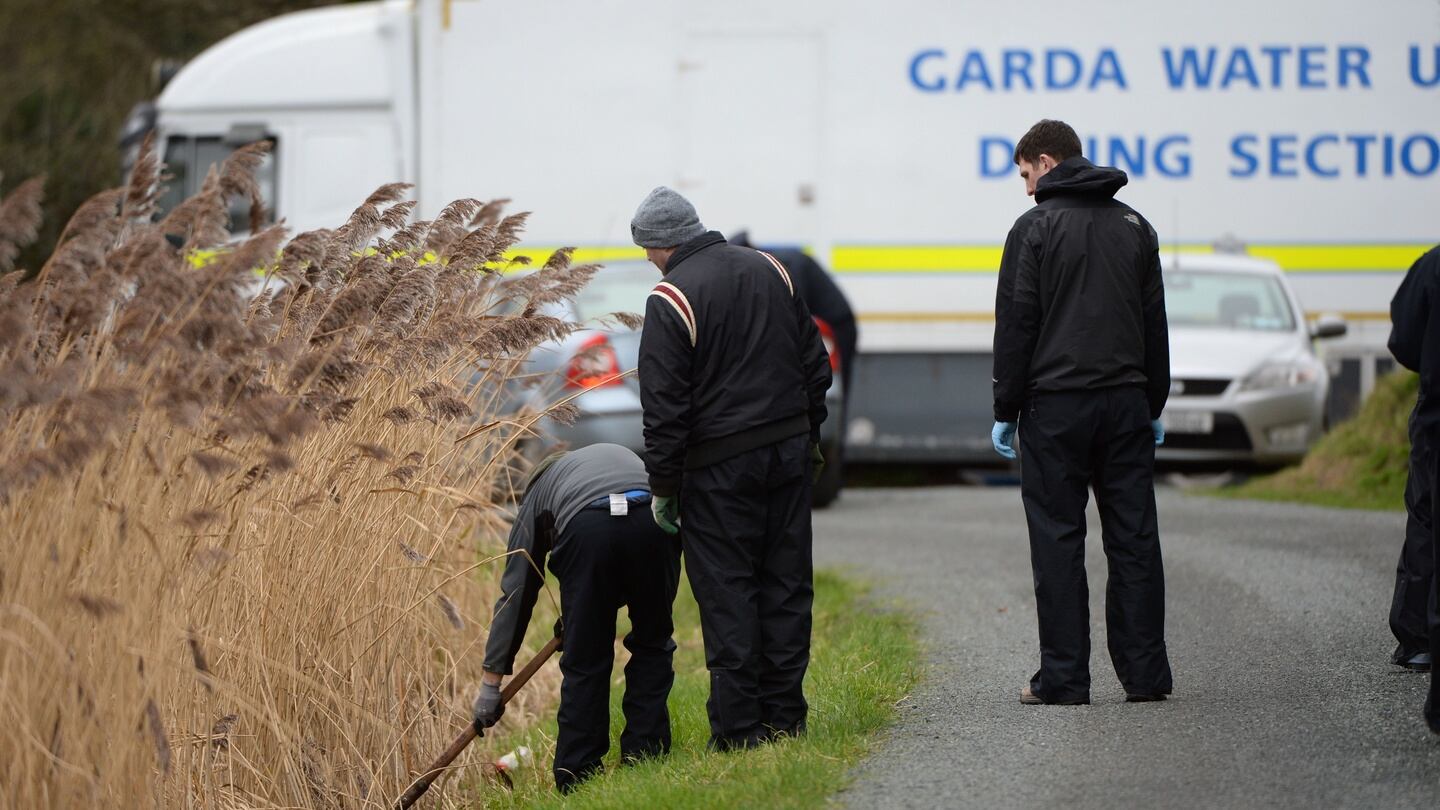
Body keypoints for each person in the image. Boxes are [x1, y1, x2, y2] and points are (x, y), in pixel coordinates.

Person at [630, 186, 832, 750]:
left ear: (661, 245)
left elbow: (665, 409)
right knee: (787, 585)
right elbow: (815, 366)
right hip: (788, 453)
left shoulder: (670, 298)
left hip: (718, 471)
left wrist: (664, 487)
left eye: (647, 251)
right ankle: (787, 720)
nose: (648, 262)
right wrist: (806, 435)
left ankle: (741, 731)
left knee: (730, 592)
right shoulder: (774, 270)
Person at [990, 119, 1173, 705]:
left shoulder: (1033, 229)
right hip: (1124, 404)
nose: (1024, 188)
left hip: (1056, 408)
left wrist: (1006, 405)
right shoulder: (1135, 226)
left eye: (1025, 173)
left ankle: (1065, 679)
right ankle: (1146, 678)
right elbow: (1154, 327)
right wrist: (1153, 402)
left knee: (1058, 540)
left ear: (1045, 161)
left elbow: (1018, 324)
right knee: (1135, 538)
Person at [472, 443, 681, 791]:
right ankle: (647, 753)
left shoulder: (538, 494)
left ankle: (578, 774)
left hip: (589, 527)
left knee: (587, 658)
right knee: (653, 642)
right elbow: (624, 551)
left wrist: (489, 685)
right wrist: (585, 612)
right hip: (653, 520)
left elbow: (517, 592)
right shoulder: (612, 455)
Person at [1386, 244, 1440, 733]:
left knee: (1426, 514)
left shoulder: (1432, 264)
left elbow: (1403, 339)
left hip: (1438, 410)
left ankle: (1420, 637)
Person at [728, 230, 858, 406]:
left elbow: (793, 307)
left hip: (838, 325)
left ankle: (835, 429)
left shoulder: (787, 265)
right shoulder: (779, 262)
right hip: (829, 323)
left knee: (834, 387)